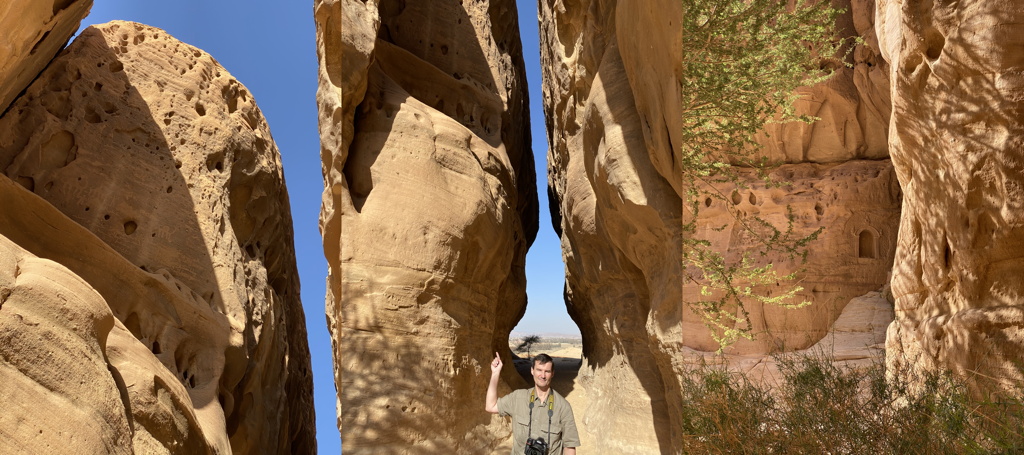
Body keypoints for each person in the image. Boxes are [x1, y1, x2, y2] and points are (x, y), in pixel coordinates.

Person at [485, 352, 580, 454]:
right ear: (532, 371)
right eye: (539, 370)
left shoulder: (563, 406)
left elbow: (569, 446)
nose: (542, 375)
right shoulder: (518, 398)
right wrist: (495, 373)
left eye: (547, 371)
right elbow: (491, 406)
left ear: (552, 374)